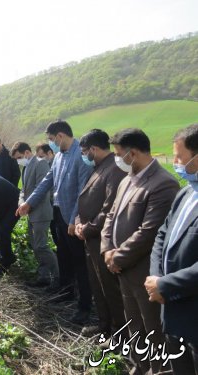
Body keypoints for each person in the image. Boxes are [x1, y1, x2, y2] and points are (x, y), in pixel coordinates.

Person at [101, 128, 179, 375]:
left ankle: (157, 369)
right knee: (133, 322)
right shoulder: (127, 179)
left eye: (119, 154)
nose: (117, 160)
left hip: (143, 269)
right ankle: (140, 365)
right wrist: (106, 250)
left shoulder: (163, 184)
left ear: (132, 153)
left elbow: (150, 231)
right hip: (122, 268)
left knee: (152, 325)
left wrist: (118, 256)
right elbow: (111, 216)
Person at [16, 120, 93, 325]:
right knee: (64, 255)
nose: (50, 144)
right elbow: (47, 182)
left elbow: (82, 191)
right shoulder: (58, 156)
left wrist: (74, 218)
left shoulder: (80, 156)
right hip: (58, 212)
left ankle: (85, 305)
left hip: (72, 217)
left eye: (51, 140)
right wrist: (28, 203)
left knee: (79, 261)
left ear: (60, 136)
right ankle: (67, 291)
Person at [147, 124, 198, 374]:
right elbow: (162, 235)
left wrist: (165, 285)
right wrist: (157, 279)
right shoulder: (186, 193)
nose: (174, 162)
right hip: (172, 310)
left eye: (179, 157)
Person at [74, 129, 127, 338]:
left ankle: (119, 332)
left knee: (110, 289)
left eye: (85, 151)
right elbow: (85, 199)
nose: (84, 156)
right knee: (98, 286)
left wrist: (87, 228)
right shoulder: (98, 167)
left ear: (94, 149)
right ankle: (104, 325)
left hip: (104, 239)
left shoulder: (114, 169)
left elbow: (109, 208)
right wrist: (79, 221)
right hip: (90, 237)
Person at [11, 141, 59, 289]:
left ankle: (58, 277)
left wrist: (28, 205)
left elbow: (42, 189)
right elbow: (23, 190)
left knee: (42, 246)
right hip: (31, 213)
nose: (19, 161)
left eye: (19, 157)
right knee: (35, 246)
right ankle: (44, 276)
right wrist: (21, 203)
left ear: (26, 152)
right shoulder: (25, 168)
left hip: (41, 212)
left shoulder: (40, 164)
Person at [36, 142, 58, 246]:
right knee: (55, 233)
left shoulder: (57, 164)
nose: (40, 159)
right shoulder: (44, 165)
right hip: (49, 204)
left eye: (41, 156)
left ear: (49, 153)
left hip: (57, 205)